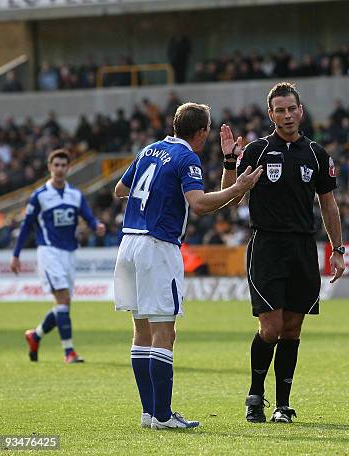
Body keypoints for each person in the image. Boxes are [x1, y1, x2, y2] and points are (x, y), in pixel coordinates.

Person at [113, 102, 263, 430]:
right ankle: (163, 415)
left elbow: (120, 190)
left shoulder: (149, 149)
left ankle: (150, 412)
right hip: (157, 247)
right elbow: (199, 205)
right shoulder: (186, 158)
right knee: (165, 332)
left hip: (128, 244)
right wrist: (239, 186)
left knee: (141, 331)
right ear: (202, 132)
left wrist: (227, 166)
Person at [220, 82, 345, 424]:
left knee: (292, 329)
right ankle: (255, 394)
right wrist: (230, 162)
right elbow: (231, 197)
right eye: (280, 110)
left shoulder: (317, 154)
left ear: (300, 111)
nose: (287, 115)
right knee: (271, 328)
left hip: (303, 248)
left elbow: (329, 205)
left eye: (292, 108)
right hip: (267, 247)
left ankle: (283, 405)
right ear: (270, 114)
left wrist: (337, 249)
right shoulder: (258, 151)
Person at [11, 149, 106, 364]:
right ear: (50, 168)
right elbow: (26, 227)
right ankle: (69, 352)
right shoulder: (39, 196)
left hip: (70, 253)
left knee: (64, 304)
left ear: (68, 168)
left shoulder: (75, 194)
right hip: (49, 252)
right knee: (63, 299)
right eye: (57, 165)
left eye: (64, 165)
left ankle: (35, 336)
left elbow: (88, 217)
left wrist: (96, 225)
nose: (60, 169)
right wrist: (16, 254)